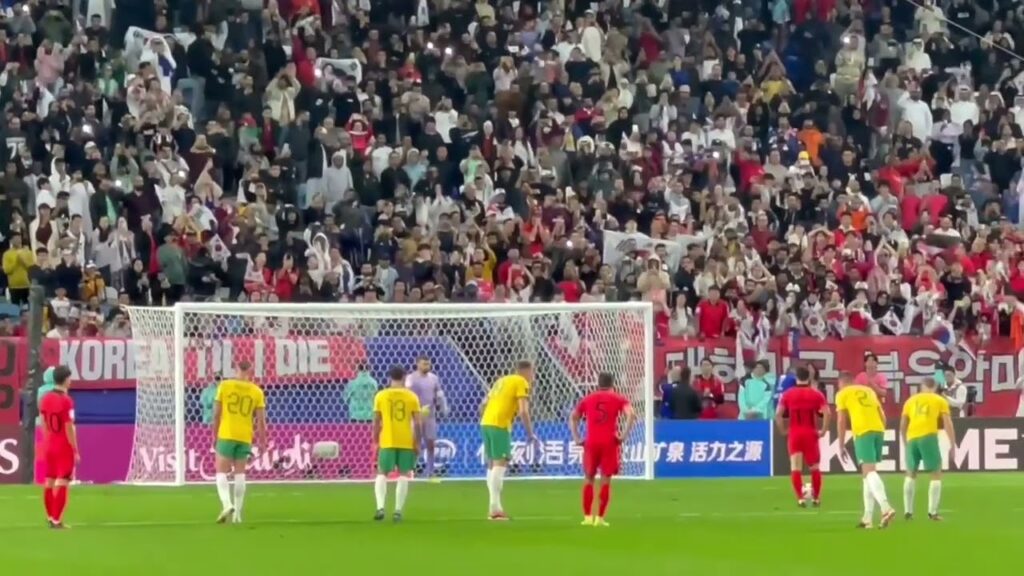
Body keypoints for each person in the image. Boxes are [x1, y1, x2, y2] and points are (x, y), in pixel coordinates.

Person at [570, 373, 636, 526]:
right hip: (609, 442)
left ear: (598, 384)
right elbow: (631, 415)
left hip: (591, 442)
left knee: (589, 478)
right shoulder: (619, 398)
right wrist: (623, 435)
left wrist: (576, 437)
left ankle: (587, 517)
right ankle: (599, 518)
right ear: (613, 383)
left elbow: (573, 416)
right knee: (605, 479)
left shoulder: (588, 398)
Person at [836, 372, 896, 529]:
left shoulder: (842, 394)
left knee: (869, 472)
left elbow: (841, 419)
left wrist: (841, 443)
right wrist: (881, 430)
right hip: (878, 429)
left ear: (842, 383)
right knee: (867, 474)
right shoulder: (868, 391)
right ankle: (867, 517)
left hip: (863, 431)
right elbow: (881, 414)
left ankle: (885, 507)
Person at [479, 359, 537, 520]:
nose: (533, 376)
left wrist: (487, 418)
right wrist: (530, 433)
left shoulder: (501, 380)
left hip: (486, 422)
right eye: (532, 372)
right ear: (526, 371)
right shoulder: (521, 382)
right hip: (499, 424)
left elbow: (483, 404)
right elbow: (524, 411)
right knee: (500, 463)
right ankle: (495, 509)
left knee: (492, 464)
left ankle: (495, 507)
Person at [212, 361, 267, 524]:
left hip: (227, 433)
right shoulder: (257, 391)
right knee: (240, 473)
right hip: (245, 436)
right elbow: (261, 421)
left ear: (235, 369)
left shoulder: (225, 386)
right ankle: (238, 515)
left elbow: (215, 414)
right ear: (250, 371)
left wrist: (214, 435)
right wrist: (262, 441)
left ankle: (227, 504)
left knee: (221, 472)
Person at [901, 378, 955, 521]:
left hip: (912, 437)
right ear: (935, 387)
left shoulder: (910, 401)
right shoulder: (939, 400)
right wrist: (952, 444)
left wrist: (904, 441)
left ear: (921, 386)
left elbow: (903, 423)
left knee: (910, 473)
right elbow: (947, 423)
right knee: (936, 473)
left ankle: (908, 511)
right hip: (928, 436)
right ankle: (932, 513)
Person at [373, 365, 423, 522]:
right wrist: (417, 442)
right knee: (403, 474)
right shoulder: (411, 397)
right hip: (406, 440)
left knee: (382, 472)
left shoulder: (380, 396)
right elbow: (418, 423)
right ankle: (397, 511)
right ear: (404, 377)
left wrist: (375, 441)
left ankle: (380, 507)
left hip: (387, 440)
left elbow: (376, 422)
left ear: (390, 377)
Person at [775, 366, 830, 507]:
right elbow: (827, 413)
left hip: (795, 432)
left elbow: (778, 414)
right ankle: (816, 498)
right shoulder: (816, 394)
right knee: (815, 467)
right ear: (809, 377)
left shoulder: (788, 394)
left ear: (796, 378)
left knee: (795, 467)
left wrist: (783, 430)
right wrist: (823, 430)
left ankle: (800, 498)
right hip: (810, 433)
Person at [39, 365, 78, 529]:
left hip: (49, 443)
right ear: (65, 379)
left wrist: (47, 439)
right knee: (62, 480)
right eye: (70, 377)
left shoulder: (45, 398)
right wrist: (75, 449)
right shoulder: (66, 401)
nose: (71, 380)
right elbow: (69, 426)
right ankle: (56, 520)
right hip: (63, 445)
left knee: (49, 480)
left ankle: (49, 517)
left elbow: (43, 421)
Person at [405, 355, 448, 480]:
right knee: (414, 443)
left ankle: (430, 472)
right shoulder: (411, 378)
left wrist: (443, 406)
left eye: (428, 364)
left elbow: (439, 394)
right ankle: (410, 470)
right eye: (424, 364)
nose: (427, 366)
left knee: (431, 444)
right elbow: (407, 395)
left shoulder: (434, 378)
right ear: (417, 364)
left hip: (430, 416)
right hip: (415, 416)